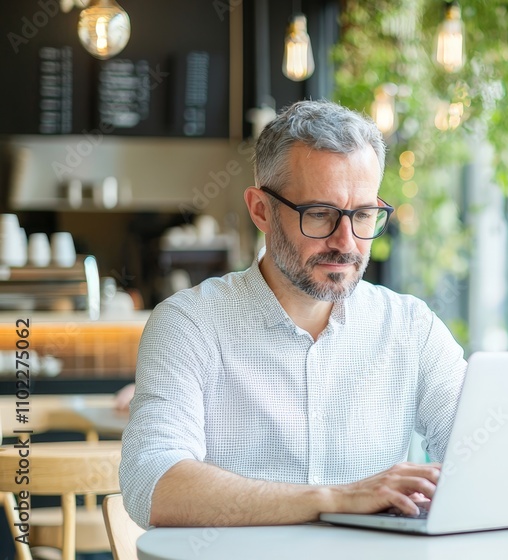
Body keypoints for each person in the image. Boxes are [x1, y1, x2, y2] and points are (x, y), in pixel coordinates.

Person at [120, 100, 467, 529]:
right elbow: (153, 486)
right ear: (261, 209)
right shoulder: (189, 325)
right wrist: (337, 499)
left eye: (362, 215)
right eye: (320, 215)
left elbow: (486, 455)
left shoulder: (411, 327)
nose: (347, 242)